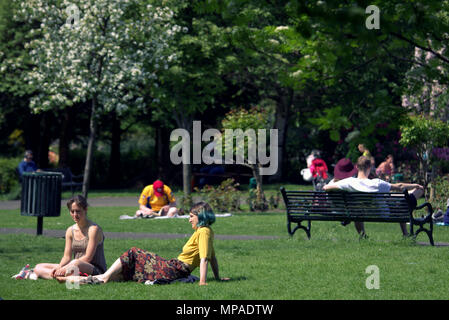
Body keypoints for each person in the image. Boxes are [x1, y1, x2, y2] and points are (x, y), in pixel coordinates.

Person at [58, 202, 230, 286]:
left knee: (133, 253)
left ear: (201, 216)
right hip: (174, 267)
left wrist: (202, 281)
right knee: (123, 274)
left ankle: (102, 277)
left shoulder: (204, 232)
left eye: (192, 216)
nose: (189, 219)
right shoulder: (204, 232)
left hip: (176, 269)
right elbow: (212, 258)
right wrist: (217, 278)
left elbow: (205, 259)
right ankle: (74, 281)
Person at [323, 156, 424, 238]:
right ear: (370, 167)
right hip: (383, 213)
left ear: (357, 167)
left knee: (358, 210)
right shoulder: (376, 183)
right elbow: (399, 187)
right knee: (407, 199)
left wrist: (340, 187)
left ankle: (362, 235)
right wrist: (416, 185)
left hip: (364, 212)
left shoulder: (349, 182)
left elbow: (326, 187)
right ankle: (405, 234)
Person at [12, 195, 107, 280]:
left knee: (75, 263)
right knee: (39, 266)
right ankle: (38, 272)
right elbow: (66, 256)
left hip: (94, 269)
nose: (75, 215)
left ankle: (36, 274)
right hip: (72, 267)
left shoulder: (94, 229)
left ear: (85, 210)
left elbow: (88, 257)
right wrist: (60, 267)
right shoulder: (70, 230)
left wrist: (67, 267)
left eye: (78, 211)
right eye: (72, 211)